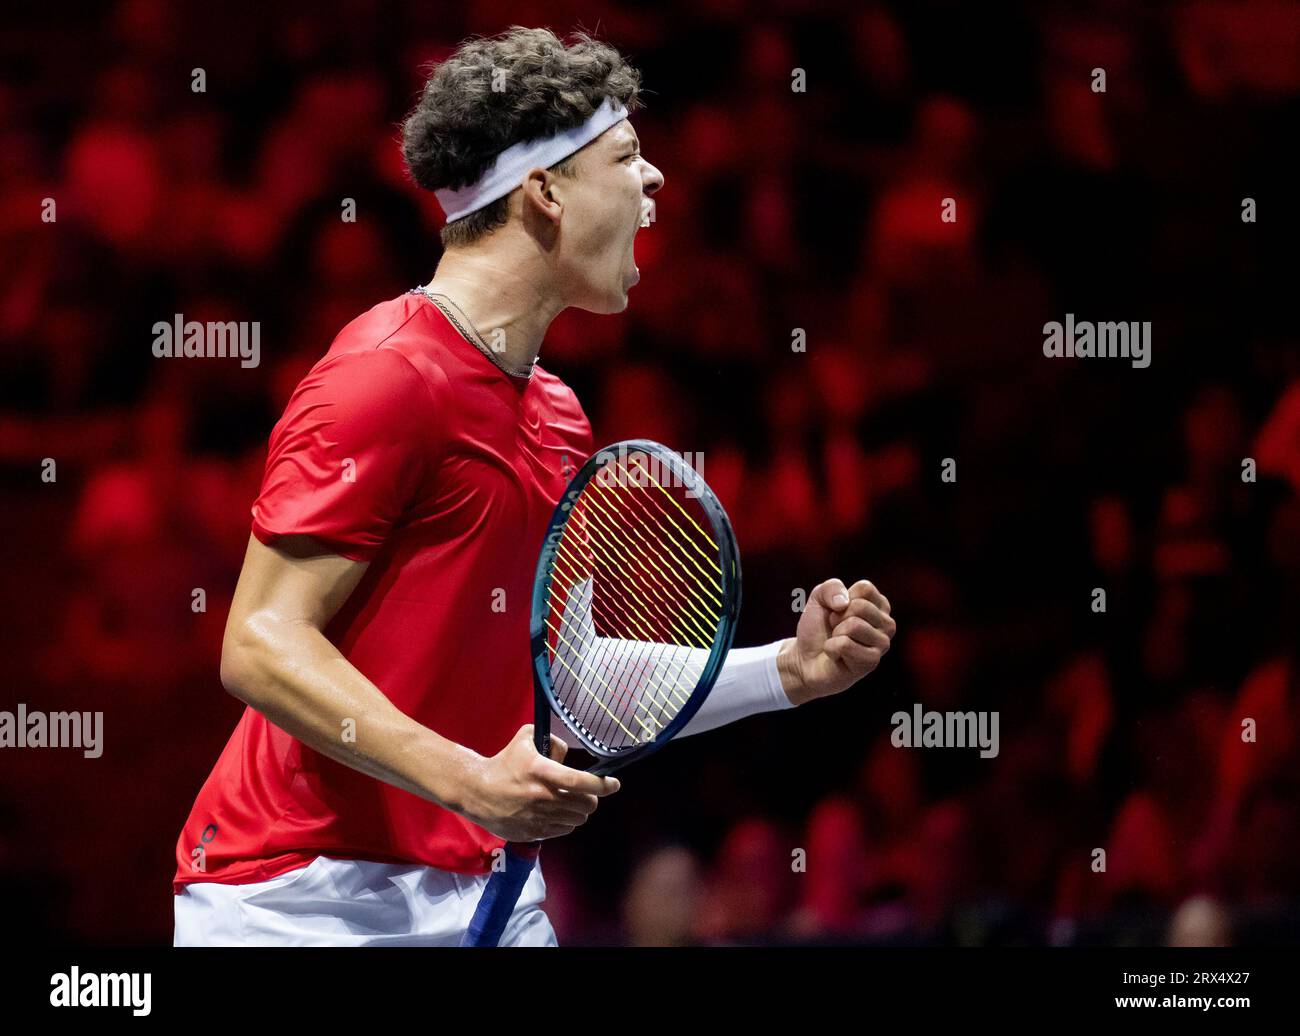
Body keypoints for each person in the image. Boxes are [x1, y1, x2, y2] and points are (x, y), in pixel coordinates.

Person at [172, 26, 896, 947]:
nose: (658, 182)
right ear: (546, 192)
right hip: (298, 899)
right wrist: (469, 780)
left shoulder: (557, 416)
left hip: (484, 887)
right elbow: (261, 643)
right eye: (629, 155)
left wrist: (784, 673)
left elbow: (574, 675)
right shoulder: (386, 377)